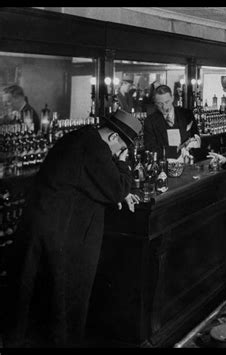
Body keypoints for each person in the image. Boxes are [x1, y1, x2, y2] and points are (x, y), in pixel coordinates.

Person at [5, 109, 142, 347]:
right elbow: (117, 188)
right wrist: (122, 164)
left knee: (36, 297)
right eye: (120, 148)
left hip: (44, 225)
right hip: (61, 231)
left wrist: (118, 190)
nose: (117, 153)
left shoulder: (82, 136)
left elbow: (96, 182)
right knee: (65, 295)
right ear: (112, 138)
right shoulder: (96, 148)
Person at [143, 84, 205, 161]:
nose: (164, 107)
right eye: (160, 103)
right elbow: (150, 148)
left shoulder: (187, 114)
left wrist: (193, 144)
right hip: (164, 166)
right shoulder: (150, 121)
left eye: (167, 102)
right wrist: (176, 150)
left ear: (172, 98)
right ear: (155, 103)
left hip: (187, 163)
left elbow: (196, 137)